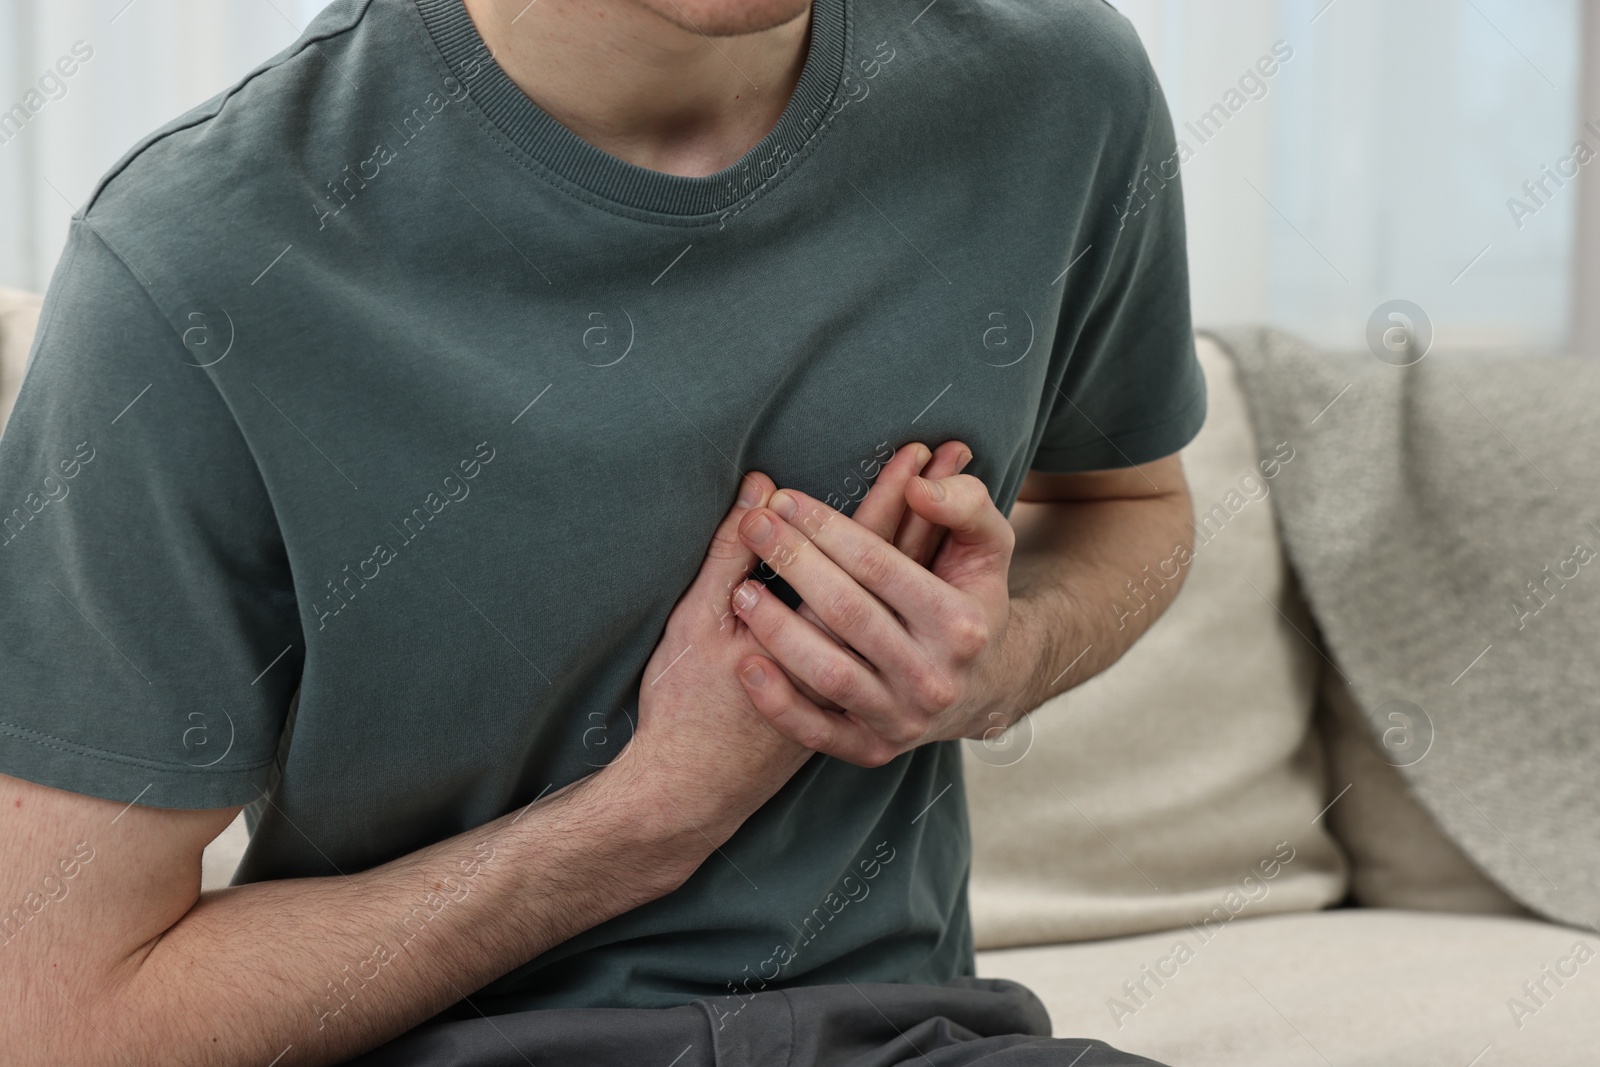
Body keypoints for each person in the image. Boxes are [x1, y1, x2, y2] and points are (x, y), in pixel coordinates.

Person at [0, 0, 1205, 1063]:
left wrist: (998, 662)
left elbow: (1126, 504)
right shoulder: (194, 260)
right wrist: (642, 820)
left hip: (913, 1035)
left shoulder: (1058, 88)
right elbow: (71, 1020)